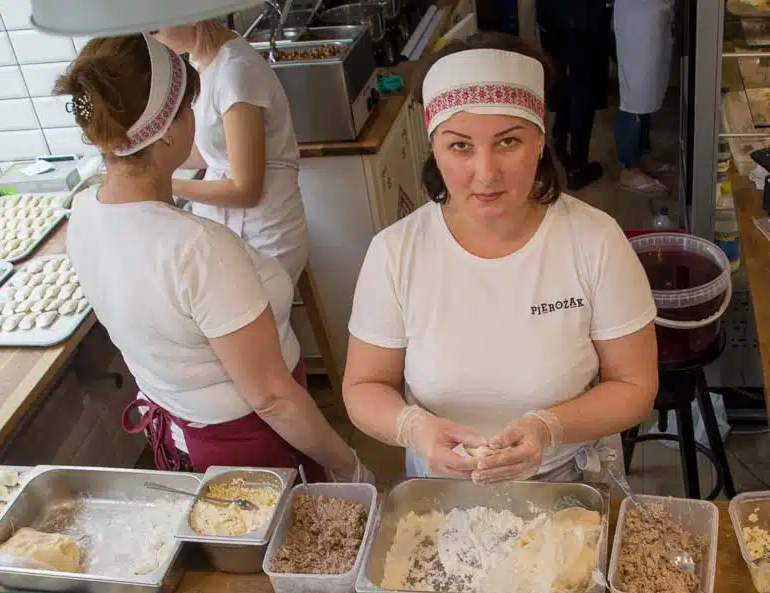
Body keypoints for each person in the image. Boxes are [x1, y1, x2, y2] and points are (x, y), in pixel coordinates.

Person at [54, 33, 371, 483]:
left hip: (180, 433)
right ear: (167, 132)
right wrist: (349, 466)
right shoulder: (198, 249)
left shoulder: (84, 213)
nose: (196, 118)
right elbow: (274, 399)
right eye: (190, 108)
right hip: (252, 445)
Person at [342, 33, 658, 484]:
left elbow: (635, 386)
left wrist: (548, 428)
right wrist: (413, 427)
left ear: (539, 141)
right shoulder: (396, 253)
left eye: (508, 142)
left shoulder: (595, 241)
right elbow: (363, 387)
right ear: (434, 147)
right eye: (460, 146)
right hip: (444, 491)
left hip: (568, 482)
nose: (486, 173)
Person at [154, 21, 308, 282]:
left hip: (265, 238)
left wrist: (164, 185)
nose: (154, 40)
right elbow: (216, 150)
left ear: (190, 15)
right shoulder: (201, 60)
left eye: (155, 30)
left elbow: (244, 190)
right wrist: (150, 165)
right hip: (230, 229)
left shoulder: (235, 72)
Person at [536, 0, 612, 190]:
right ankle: (578, 166)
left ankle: (560, 138)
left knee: (562, 77)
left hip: (552, 17)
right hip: (583, 21)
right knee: (584, 90)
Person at [613, 0, 675, 196]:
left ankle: (642, 157)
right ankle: (629, 169)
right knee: (634, 98)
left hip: (656, 14)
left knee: (649, 91)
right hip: (637, 20)